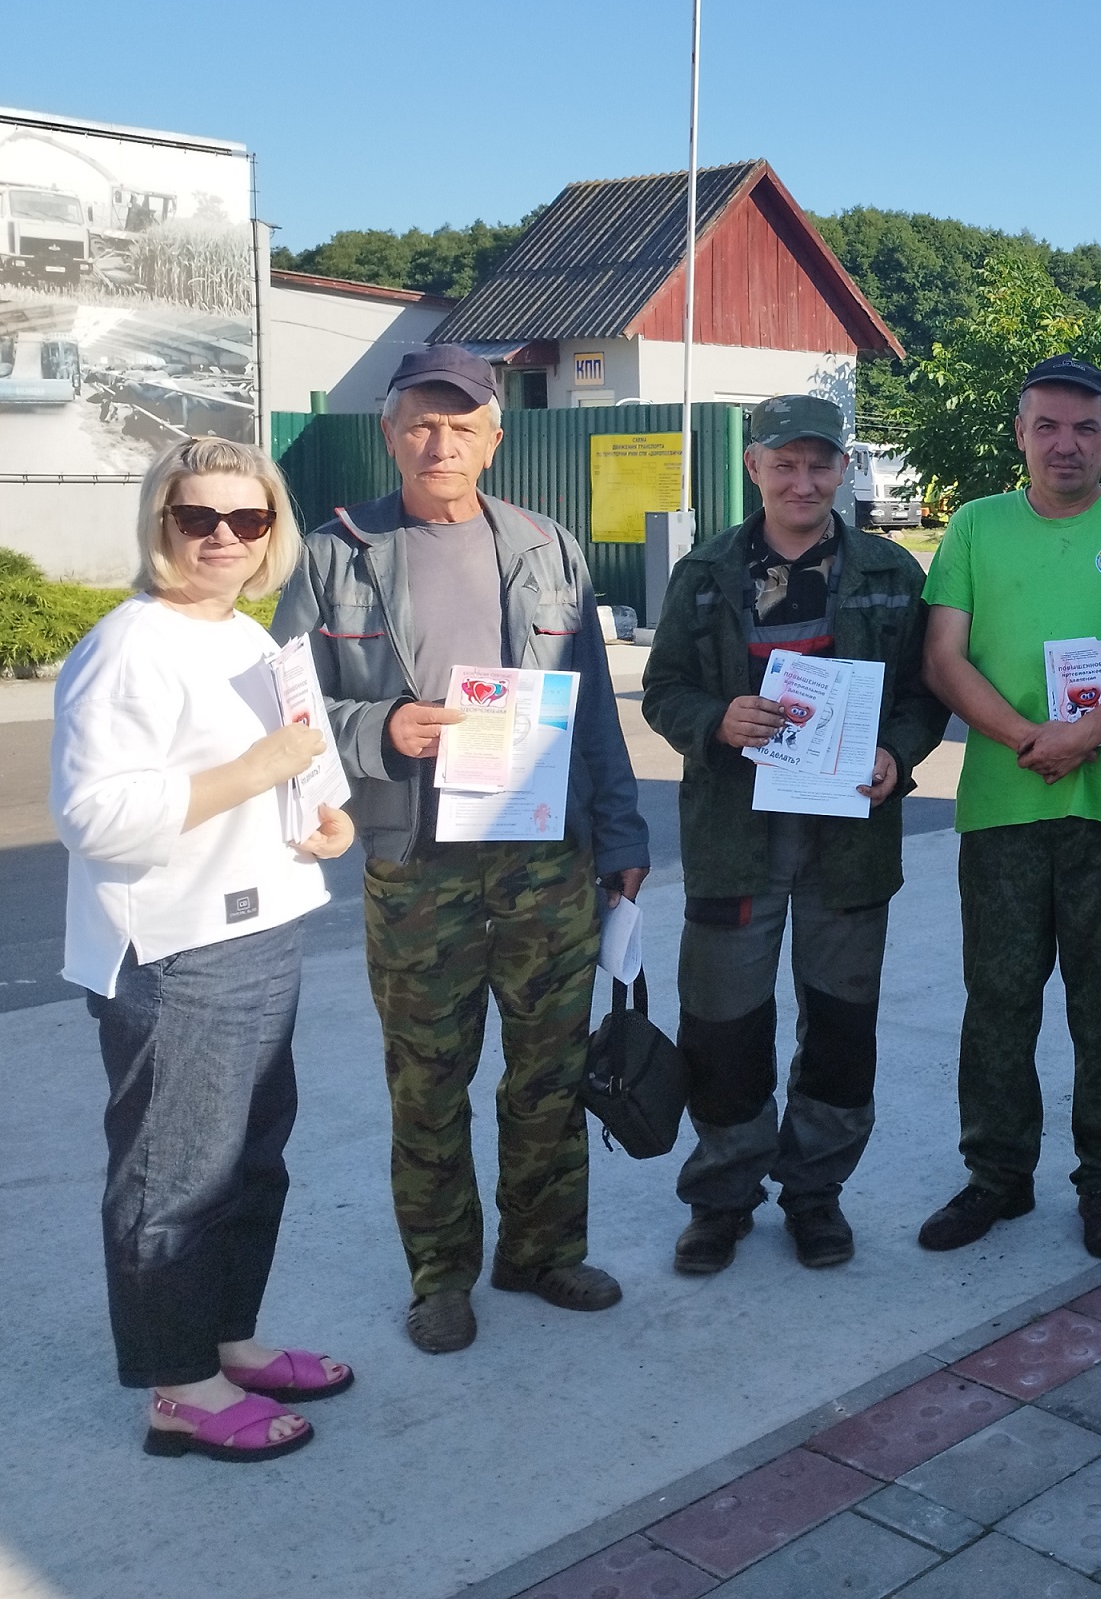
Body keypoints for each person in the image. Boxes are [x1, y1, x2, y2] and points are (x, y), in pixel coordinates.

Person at [272, 344, 649, 1356]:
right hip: (414, 858)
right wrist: (378, 730)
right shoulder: (335, 551)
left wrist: (620, 833)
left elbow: (594, 715)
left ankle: (542, 1251)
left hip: (543, 857)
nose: (439, 442)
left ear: (494, 436)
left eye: (460, 424)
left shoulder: (547, 547)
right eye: (419, 424)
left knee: (548, 1070)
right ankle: (441, 1276)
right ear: (391, 433)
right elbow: (284, 709)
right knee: (428, 1079)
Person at [52, 437, 356, 1460]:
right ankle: (178, 1385)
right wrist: (260, 764)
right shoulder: (129, 643)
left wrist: (322, 814)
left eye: (250, 519)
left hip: (265, 925)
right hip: (177, 949)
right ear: (161, 524)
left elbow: (291, 770)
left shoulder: (242, 636)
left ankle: (228, 1338)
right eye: (200, 518)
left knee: (249, 1163)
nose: (225, 538)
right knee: (174, 1177)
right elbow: (96, 816)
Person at [641, 395, 948, 1275]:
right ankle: (723, 1198)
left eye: (819, 465)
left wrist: (897, 751)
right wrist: (716, 719)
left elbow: (926, 696)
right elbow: (663, 691)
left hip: (847, 841)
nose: (802, 481)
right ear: (754, 469)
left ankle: (815, 1193)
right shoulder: (704, 573)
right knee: (724, 1028)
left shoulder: (891, 573)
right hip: (736, 840)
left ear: (842, 470)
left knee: (842, 1028)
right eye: (784, 464)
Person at [917, 356, 1101, 1259]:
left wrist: (1082, 737)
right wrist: (1025, 737)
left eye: (1085, 427)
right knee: (998, 1000)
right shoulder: (973, 526)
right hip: (1002, 803)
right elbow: (944, 660)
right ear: (1021, 435)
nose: (1066, 443)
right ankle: (996, 1178)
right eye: (1048, 426)